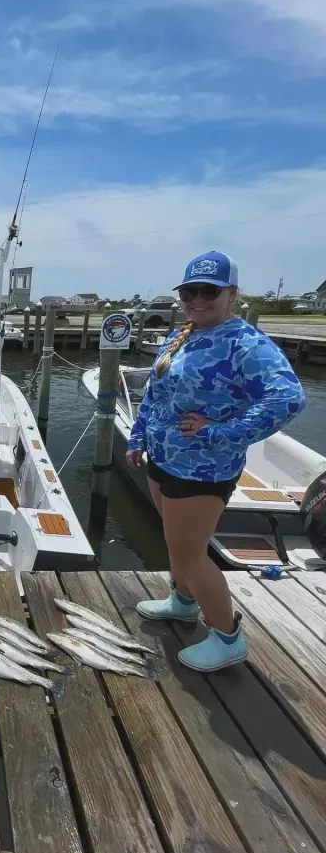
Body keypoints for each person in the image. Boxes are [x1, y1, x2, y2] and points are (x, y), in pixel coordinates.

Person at [127, 251, 306, 671]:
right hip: (164, 458)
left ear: (231, 293)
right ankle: (183, 602)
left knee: (191, 553)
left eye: (208, 290)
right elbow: (157, 392)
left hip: (204, 469)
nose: (197, 298)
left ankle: (227, 638)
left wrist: (221, 431)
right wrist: (138, 435)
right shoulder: (184, 334)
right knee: (175, 543)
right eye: (190, 291)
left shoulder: (246, 343)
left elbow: (288, 398)